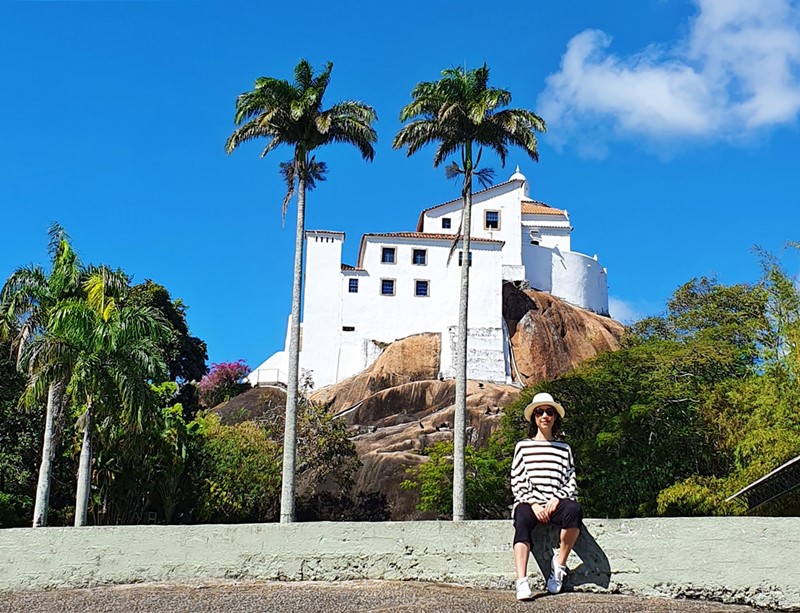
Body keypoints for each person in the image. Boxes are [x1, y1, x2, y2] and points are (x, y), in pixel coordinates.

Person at [510, 392, 582, 600]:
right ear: (533, 417)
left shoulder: (564, 448)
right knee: (521, 518)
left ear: (555, 417)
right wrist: (533, 503)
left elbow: (570, 479)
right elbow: (517, 479)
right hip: (530, 503)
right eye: (539, 412)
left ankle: (559, 565)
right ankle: (521, 580)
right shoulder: (523, 446)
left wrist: (557, 499)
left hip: (555, 503)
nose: (544, 416)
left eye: (549, 412)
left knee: (574, 510)